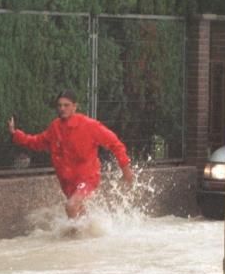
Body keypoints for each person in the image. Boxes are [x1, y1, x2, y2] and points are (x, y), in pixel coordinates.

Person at [8, 90, 134, 219]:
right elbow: (37, 142)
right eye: (60, 105)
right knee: (80, 215)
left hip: (87, 178)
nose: (62, 108)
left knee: (71, 206)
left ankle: (73, 237)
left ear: (75, 106)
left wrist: (126, 169)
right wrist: (16, 135)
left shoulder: (89, 125)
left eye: (66, 105)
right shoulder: (55, 127)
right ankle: (91, 234)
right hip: (67, 182)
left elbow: (115, 143)